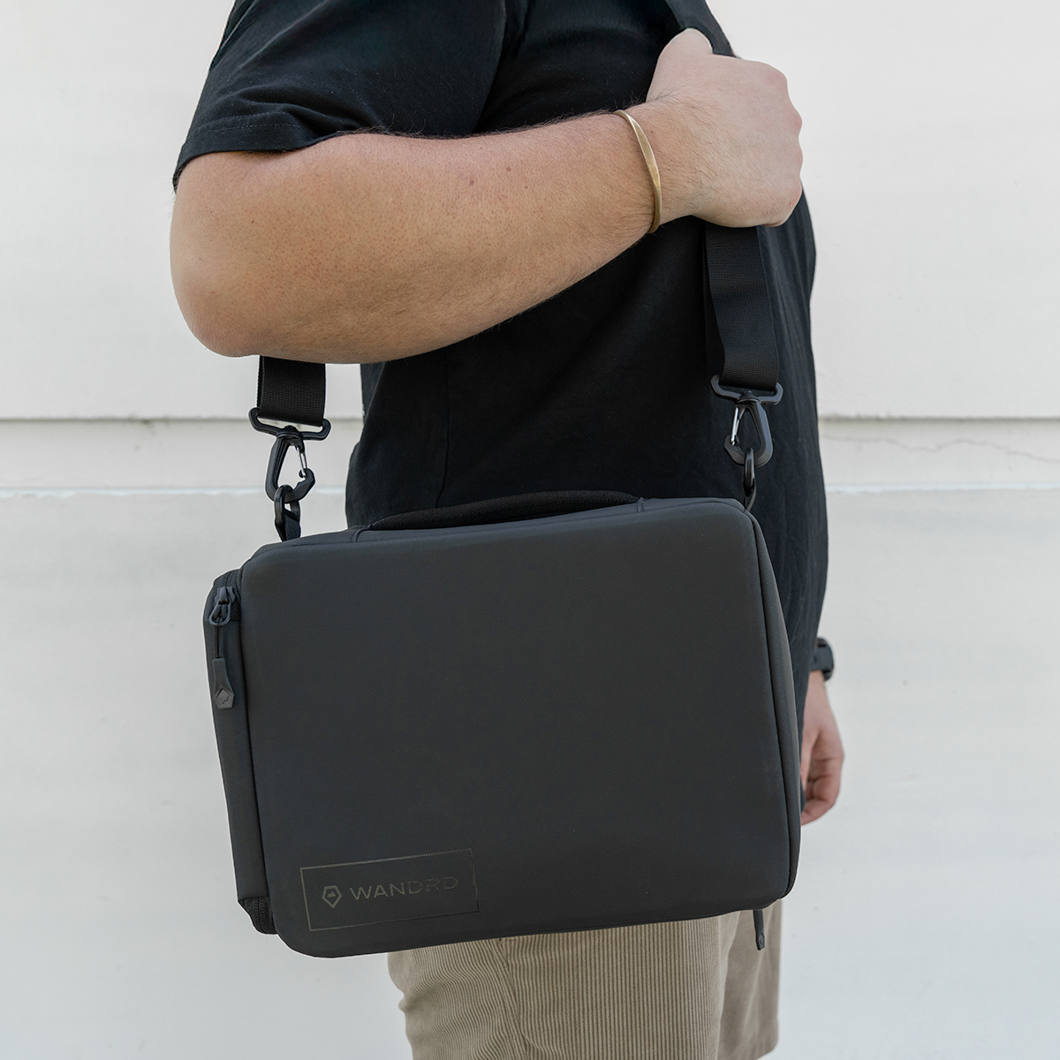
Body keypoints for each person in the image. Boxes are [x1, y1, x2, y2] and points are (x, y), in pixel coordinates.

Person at [170, 1, 844, 1056]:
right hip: (563, 789)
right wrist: (668, 154)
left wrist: (789, 653)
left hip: (706, 758)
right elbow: (235, 250)